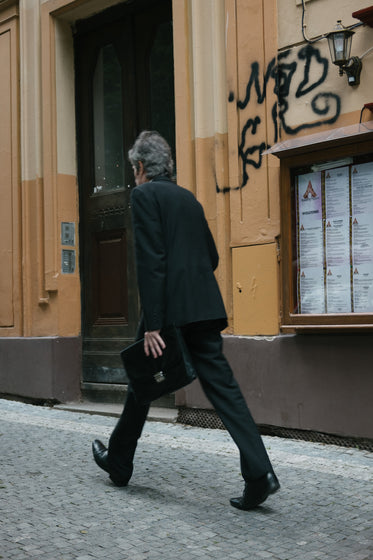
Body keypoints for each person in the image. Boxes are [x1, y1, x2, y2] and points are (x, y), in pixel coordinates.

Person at [92, 130, 280, 510]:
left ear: (141, 167)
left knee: (143, 378)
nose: (134, 176)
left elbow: (151, 262)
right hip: (204, 307)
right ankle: (260, 474)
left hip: (170, 313)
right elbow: (210, 257)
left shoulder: (144, 195)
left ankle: (119, 461)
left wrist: (154, 325)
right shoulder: (189, 199)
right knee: (221, 389)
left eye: (134, 169)